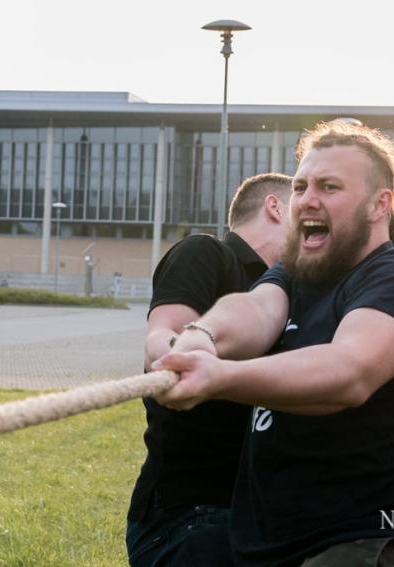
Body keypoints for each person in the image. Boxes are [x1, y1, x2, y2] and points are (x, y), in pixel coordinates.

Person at [153, 121, 394, 565]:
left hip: (380, 545)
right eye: (302, 186)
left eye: (329, 187)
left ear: (379, 204)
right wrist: (201, 337)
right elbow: (256, 310)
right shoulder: (295, 274)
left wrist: (220, 377)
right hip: (280, 546)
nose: (307, 199)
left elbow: (348, 372)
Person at [127, 173, 293, 567]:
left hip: (260, 519)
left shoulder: (286, 291)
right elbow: (162, 335)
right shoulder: (207, 253)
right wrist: (175, 357)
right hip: (194, 519)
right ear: (275, 207)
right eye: (301, 202)